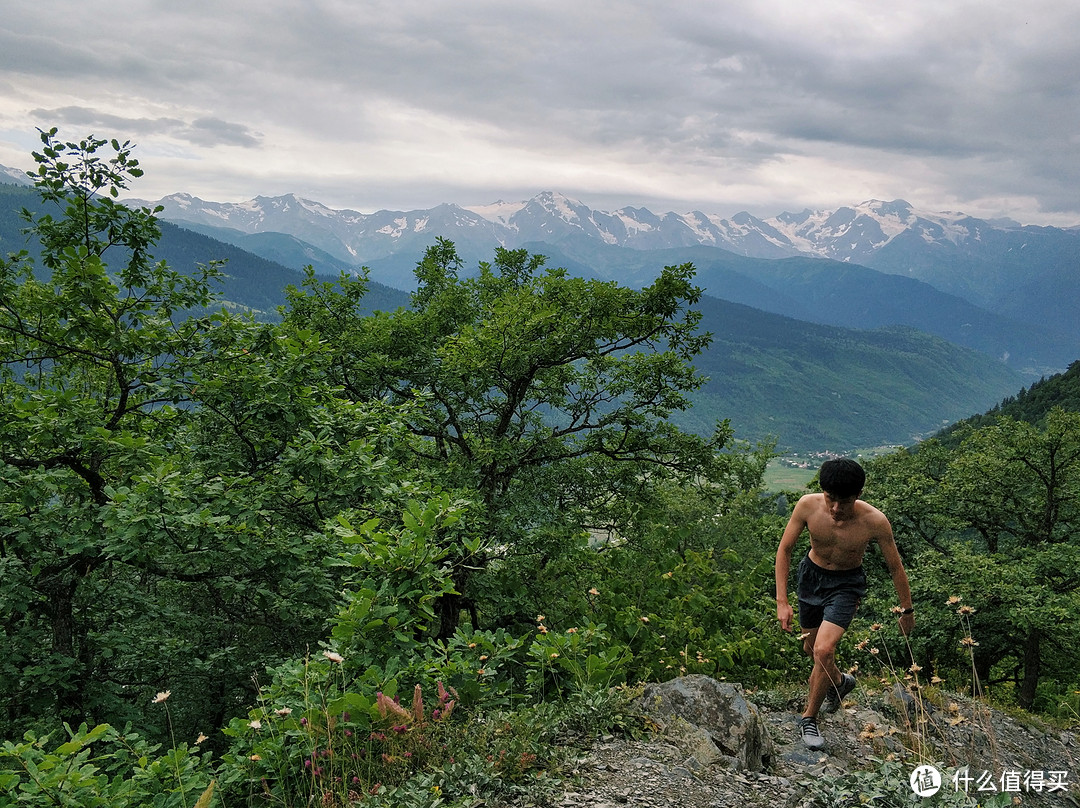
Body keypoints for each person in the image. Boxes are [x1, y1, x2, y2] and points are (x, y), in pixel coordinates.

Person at [775, 457, 914, 750]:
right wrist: (782, 601)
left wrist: (907, 610)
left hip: (847, 585)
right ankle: (839, 682)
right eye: (831, 499)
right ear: (822, 491)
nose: (837, 509)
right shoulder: (807, 506)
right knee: (812, 650)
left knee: (824, 650)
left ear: (858, 496)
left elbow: (895, 568)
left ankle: (809, 719)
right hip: (811, 578)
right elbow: (785, 549)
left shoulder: (874, 521)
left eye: (845, 501)